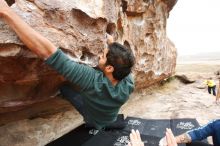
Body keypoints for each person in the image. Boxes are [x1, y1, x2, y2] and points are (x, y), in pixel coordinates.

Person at [0, 0, 135, 130]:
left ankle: (92, 121)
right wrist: (111, 44)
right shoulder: (128, 81)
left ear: (110, 68)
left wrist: (7, 12)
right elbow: (124, 63)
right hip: (108, 116)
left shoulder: (92, 81)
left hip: (92, 118)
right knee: (69, 91)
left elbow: (48, 53)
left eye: (103, 55)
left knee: (65, 90)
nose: (100, 55)